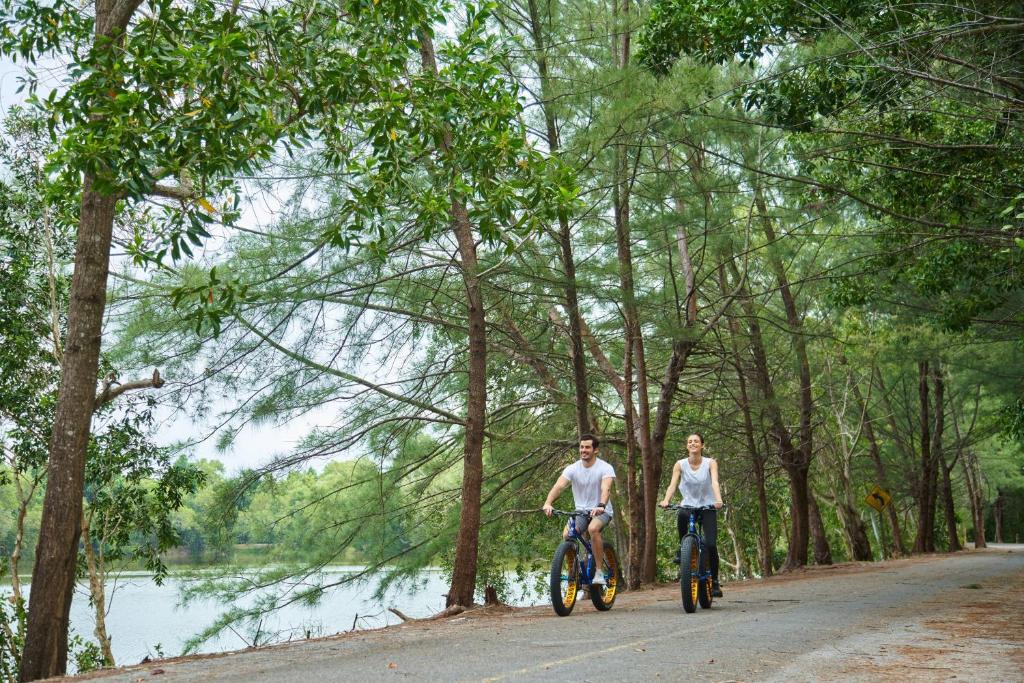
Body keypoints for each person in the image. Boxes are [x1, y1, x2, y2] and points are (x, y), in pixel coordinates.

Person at [542, 434, 615, 585]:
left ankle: (599, 572)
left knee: (593, 529)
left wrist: (601, 505)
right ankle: (573, 573)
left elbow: (606, 488)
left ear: (596, 450)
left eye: (587, 447)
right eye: (581, 447)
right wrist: (548, 503)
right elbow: (559, 486)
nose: (583, 450)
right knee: (567, 534)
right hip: (581, 512)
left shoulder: (605, 468)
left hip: (602, 511)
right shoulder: (573, 468)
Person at [659, 432, 724, 597]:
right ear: (687, 446)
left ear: (702, 445)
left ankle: (715, 581)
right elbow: (672, 485)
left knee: (710, 544)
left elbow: (715, 482)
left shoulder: (710, 463)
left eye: (696, 441)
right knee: (682, 514)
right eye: (690, 441)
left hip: (708, 505)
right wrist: (666, 500)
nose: (693, 443)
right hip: (688, 504)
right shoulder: (680, 464)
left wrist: (718, 500)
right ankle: (683, 549)